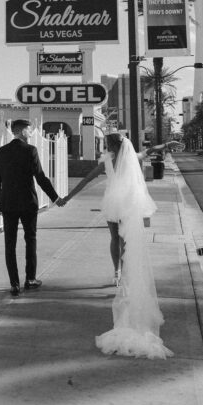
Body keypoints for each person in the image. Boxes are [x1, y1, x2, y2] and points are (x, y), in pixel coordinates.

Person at [64, 132, 172, 360]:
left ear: (110, 145)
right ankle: (124, 272)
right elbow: (149, 152)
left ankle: (117, 271)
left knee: (115, 239)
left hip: (112, 203)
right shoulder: (132, 157)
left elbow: (85, 180)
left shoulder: (107, 161)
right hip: (129, 204)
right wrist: (166, 144)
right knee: (127, 241)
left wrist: (67, 197)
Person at [0, 119, 65, 296]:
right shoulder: (30, 150)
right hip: (27, 203)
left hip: (8, 204)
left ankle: (14, 284)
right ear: (22, 131)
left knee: (10, 244)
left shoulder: (1, 152)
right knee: (30, 240)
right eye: (29, 130)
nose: (31, 133)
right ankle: (30, 279)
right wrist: (55, 198)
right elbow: (40, 177)